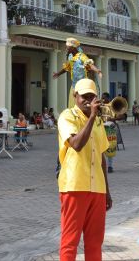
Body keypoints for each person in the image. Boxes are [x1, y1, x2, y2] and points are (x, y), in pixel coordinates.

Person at [57, 78, 112, 261]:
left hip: (97, 188)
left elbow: (102, 157)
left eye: (91, 96)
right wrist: (92, 117)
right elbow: (76, 144)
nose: (88, 100)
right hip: (74, 186)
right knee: (70, 240)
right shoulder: (67, 116)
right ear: (75, 96)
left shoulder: (98, 121)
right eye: (84, 96)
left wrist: (107, 192)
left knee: (95, 241)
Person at [53, 37, 103, 107]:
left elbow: (90, 65)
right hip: (74, 86)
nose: (66, 48)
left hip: (83, 86)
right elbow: (67, 68)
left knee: (82, 105)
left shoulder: (82, 56)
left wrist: (97, 71)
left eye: (68, 47)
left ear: (73, 48)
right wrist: (58, 74)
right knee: (72, 105)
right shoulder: (70, 57)